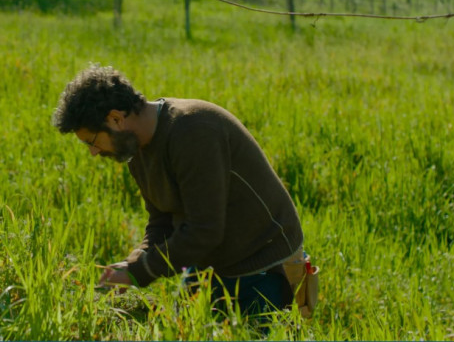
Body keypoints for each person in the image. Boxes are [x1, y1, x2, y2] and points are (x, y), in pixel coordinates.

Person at [52, 64, 305, 315]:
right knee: (180, 327)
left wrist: (138, 272)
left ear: (116, 119)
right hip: (212, 262)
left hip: (263, 265)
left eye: (92, 141)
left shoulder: (193, 131)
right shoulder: (137, 150)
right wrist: (133, 262)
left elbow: (204, 230)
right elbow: (162, 221)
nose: (93, 152)